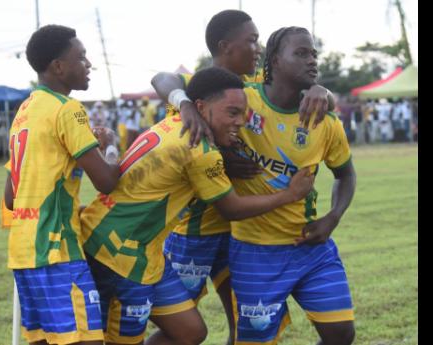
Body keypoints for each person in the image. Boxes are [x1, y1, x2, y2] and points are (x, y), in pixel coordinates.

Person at [79, 67, 315, 345]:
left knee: (191, 332)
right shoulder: (200, 149)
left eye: (243, 114)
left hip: (146, 253)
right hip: (120, 254)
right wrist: (289, 195)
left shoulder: (173, 121)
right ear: (200, 107)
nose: (241, 122)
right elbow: (232, 208)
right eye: (232, 113)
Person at [151, 10, 335, 345]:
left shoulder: (248, 89)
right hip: (196, 231)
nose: (258, 48)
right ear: (226, 46)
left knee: (245, 323)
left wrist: (320, 89)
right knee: (179, 333)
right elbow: (162, 77)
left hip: (240, 235)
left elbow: (293, 95)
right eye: (251, 41)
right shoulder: (200, 94)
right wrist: (186, 105)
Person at [3, 24, 121, 345]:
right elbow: (107, 181)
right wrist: (110, 145)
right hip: (57, 251)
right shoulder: (68, 109)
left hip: (23, 253)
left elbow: (11, 197)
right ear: (58, 67)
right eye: (81, 57)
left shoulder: (24, 111)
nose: (88, 64)